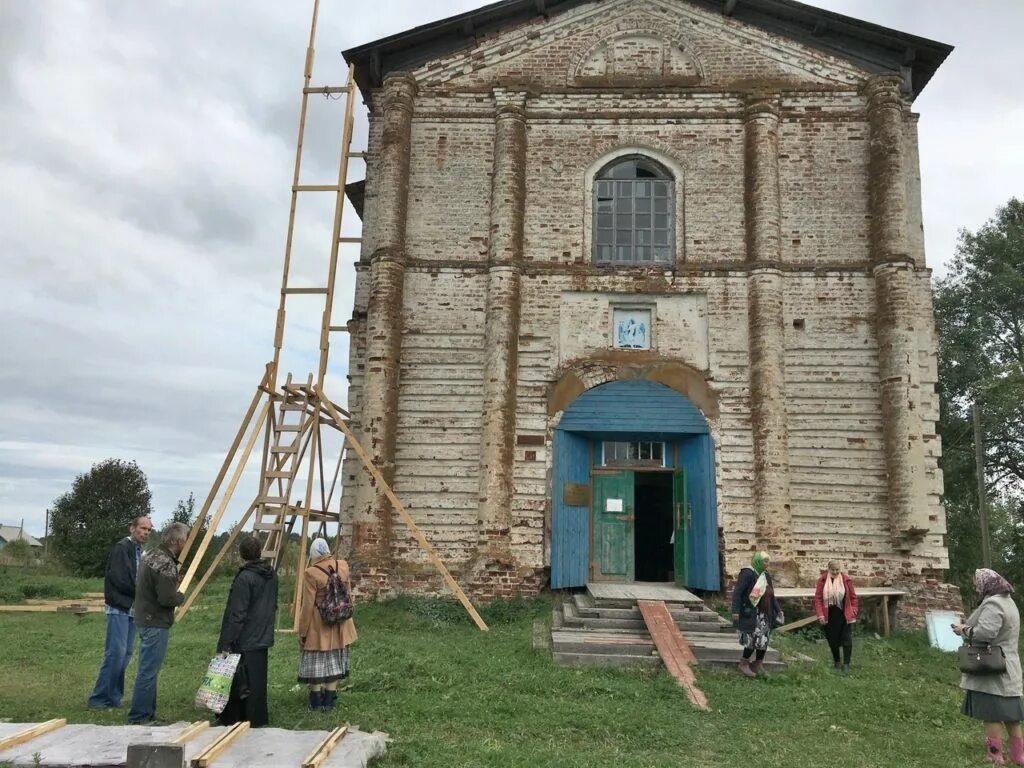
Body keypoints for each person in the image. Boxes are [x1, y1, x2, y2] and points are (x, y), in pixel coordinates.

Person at [953, 568, 1024, 765]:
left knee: (991, 715)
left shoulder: (994, 603)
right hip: (1007, 668)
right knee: (1011, 717)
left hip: (992, 668)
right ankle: (1019, 757)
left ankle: (995, 755)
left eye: (978, 582)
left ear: (987, 584)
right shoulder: (1008, 602)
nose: (977, 586)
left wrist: (963, 629)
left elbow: (985, 633)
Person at [88, 516, 153, 709]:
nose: (146, 533)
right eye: (143, 528)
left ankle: (114, 698)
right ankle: (99, 698)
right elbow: (119, 578)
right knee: (115, 653)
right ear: (132, 528)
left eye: (149, 530)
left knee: (125, 654)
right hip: (119, 607)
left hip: (134, 609)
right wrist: (142, 591)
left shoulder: (141, 551)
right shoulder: (122, 548)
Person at [127, 521, 189, 725]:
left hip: (144, 617)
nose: (185, 542)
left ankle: (148, 713)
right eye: (185, 539)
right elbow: (166, 598)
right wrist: (181, 597)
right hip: (155, 620)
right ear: (178, 541)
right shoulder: (166, 563)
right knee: (148, 671)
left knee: (149, 670)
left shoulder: (151, 554)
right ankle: (139, 716)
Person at [215, 535, 279, 728]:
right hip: (262, 633)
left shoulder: (245, 577)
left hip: (244, 636)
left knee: (239, 681)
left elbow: (237, 613)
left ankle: (236, 719)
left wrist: (227, 641)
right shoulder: (271, 574)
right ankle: (257, 719)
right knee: (257, 681)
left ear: (242, 554)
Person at [297, 538, 357, 712]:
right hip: (340, 621)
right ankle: (329, 702)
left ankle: (315, 701)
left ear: (313, 554)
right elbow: (347, 592)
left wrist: (303, 631)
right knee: (336, 659)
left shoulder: (311, 573)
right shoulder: (343, 566)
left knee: (316, 661)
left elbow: (308, 606)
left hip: (319, 622)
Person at [731, 550, 783, 678]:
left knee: (764, 638)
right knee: (752, 638)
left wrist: (778, 610)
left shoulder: (765, 575)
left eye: (768, 561)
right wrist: (735, 611)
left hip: (765, 613)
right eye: (765, 561)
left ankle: (758, 663)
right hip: (752, 612)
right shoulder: (748, 573)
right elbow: (738, 592)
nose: (767, 564)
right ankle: (744, 663)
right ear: (758, 561)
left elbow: (771, 595)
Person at [813, 560, 860, 673]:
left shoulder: (846, 580)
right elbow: (818, 598)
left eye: (837, 570)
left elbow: (853, 597)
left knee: (847, 639)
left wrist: (854, 609)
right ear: (828, 569)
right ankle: (837, 662)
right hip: (829, 615)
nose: (835, 572)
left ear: (840, 569)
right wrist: (820, 615)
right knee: (832, 640)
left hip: (844, 614)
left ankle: (846, 664)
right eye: (833, 570)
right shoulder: (822, 580)